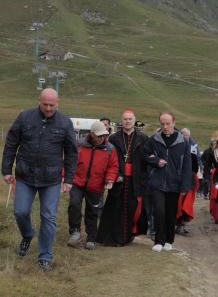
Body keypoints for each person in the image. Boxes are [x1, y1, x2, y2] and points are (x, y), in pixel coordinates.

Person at [1, 88, 77, 271]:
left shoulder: (65, 123)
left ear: (57, 103)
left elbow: (72, 153)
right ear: (39, 101)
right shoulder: (24, 117)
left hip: (51, 179)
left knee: (48, 217)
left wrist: (68, 179)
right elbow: (11, 143)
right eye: (45, 104)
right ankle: (27, 235)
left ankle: (45, 256)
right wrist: (6, 170)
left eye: (52, 105)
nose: (49, 108)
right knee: (20, 212)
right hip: (25, 175)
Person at [96, 110, 149, 246]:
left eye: (130, 119)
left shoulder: (142, 138)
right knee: (115, 208)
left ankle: (127, 236)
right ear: (122, 120)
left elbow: (146, 159)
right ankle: (114, 237)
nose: (127, 121)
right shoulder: (114, 138)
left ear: (134, 120)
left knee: (132, 207)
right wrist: (113, 175)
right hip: (118, 178)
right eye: (125, 119)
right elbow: (109, 158)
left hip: (135, 179)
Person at [143, 112, 192, 252]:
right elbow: (145, 154)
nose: (165, 127)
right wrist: (156, 161)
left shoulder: (183, 142)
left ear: (174, 123)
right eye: (162, 124)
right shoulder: (154, 139)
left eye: (168, 124)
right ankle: (159, 240)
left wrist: (185, 185)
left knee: (171, 213)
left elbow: (187, 165)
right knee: (159, 211)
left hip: (175, 183)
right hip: (157, 182)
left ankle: (169, 240)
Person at [67, 121, 118, 250]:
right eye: (99, 136)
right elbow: (70, 161)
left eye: (104, 136)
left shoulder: (110, 148)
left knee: (93, 211)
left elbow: (113, 166)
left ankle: (91, 238)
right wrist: (65, 178)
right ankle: (75, 231)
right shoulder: (79, 144)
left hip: (96, 185)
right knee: (74, 205)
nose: (102, 138)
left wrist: (110, 179)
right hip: (77, 182)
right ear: (92, 134)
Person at [176, 127, 200, 235]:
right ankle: (178, 225)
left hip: (189, 180)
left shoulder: (194, 148)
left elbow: (196, 165)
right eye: (183, 134)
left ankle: (184, 225)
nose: (185, 136)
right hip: (177, 180)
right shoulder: (176, 146)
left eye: (186, 135)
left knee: (187, 204)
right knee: (178, 203)